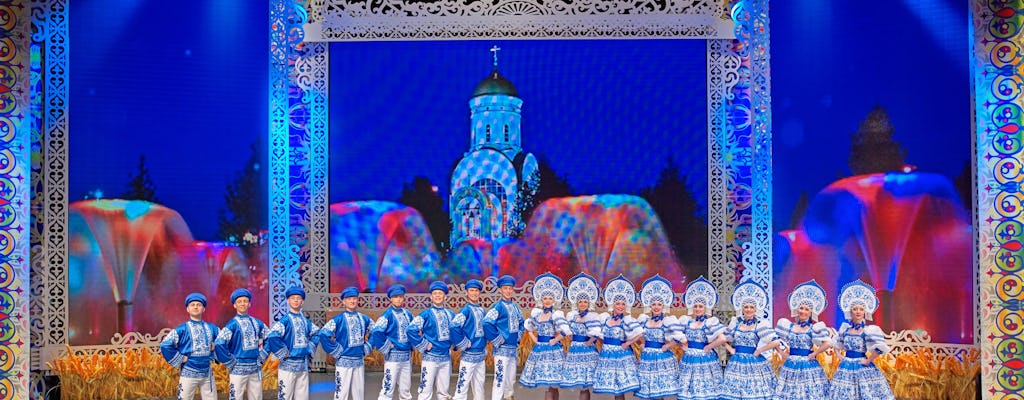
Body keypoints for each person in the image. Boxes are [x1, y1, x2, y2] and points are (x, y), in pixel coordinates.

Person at [828, 280, 895, 400]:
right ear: (850, 312)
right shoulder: (845, 329)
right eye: (855, 309)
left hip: (861, 365)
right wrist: (839, 355)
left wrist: (869, 360)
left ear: (865, 312)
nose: (858, 311)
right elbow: (836, 343)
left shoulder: (868, 330)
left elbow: (880, 347)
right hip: (846, 366)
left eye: (861, 309)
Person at [719, 279, 781, 400]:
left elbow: (776, 341)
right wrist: (730, 349)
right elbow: (722, 338)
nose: (748, 309)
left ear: (755, 309)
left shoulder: (760, 324)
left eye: (751, 307)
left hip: (754, 362)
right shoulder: (736, 322)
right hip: (736, 362)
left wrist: (759, 351)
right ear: (742, 308)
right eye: (746, 307)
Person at [774, 280, 832, 400]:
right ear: (797, 309)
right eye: (801, 308)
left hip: (808, 365)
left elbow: (828, 343)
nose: (803, 311)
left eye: (807, 309)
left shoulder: (814, 328)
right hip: (790, 365)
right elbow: (773, 339)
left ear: (811, 313)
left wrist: (815, 353)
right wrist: (781, 352)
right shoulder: (788, 326)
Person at [266, 285, 321, 400]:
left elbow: (317, 333)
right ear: (288, 301)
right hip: (287, 365)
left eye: (298, 298)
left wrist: (310, 348)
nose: (296, 300)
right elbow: (272, 336)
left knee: (303, 397)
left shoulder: (306, 322)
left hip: (303, 365)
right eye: (292, 298)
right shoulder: (284, 321)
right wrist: (283, 352)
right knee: (285, 396)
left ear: (302, 301)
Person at [161, 292, 220, 400]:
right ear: (187, 309)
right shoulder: (182, 329)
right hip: (188, 371)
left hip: (207, 372)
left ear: (203, 309)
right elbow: (165, 344)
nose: (196, 307)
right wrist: (181, 358)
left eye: (199, 304)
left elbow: (223, 342)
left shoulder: (212, 328)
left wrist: (214, 353)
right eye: (193, 304)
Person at [520, 273, 569, 399]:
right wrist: (534, 338)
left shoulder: (556, 314)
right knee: (547, 385)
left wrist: (556, 340)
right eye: (545, 298)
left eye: (550, 298)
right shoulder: (537, 314)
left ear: (554, 300)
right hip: (540, 350)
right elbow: (528, 327)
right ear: (541, 300)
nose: (547, 301)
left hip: (552, 351)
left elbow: (565, 330)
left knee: (553, 384)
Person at [592, 275, 642, 400]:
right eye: (618, 303)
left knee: (620, 388)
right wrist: (603, 342)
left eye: (623, 304)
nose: (620, 306)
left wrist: (628, 342)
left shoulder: (626, 320)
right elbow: (599, 334)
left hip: (621, 355)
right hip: (607, 355)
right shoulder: (605, 319)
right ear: (612, 304)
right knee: (614, 389)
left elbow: (640, 333)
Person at [676, 277, 727, 400]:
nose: (698, 309)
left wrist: (709, 346)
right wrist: (682, 346)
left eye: (700, 306)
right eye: (696, 306)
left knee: (704, 391)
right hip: (689, 358)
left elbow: (722, 338)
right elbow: (675, 335)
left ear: (705, 308)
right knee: (689, 391)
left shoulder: (709, 322)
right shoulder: (687, 322)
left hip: (705, 359)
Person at [214, 288, 270, 400]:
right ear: (234, 305)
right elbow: (219, 343)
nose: (243, 304)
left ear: (249, 304)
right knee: (236, 396)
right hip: (238, 367)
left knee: (256, 396)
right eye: (239, 302)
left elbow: (271, 338)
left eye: (245, 301)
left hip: (255, 366)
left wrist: (263, 354)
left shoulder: (257, 323)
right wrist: (230, 361)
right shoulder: (232, 325)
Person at [320, 286, 374, 400]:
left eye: (354, 298)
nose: (352, 301)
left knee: (359, 393)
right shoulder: (338, 319)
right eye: (349, 299)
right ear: (344, 301)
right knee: (341, 392)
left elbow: (376, 331)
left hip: (359, 361)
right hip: (344, 361)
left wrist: (368, 346)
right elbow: (323, 334)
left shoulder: (364, 318)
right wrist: (337, 350)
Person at [408, 281, 456, 400]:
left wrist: (454, 344)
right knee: (425, 390)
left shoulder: (450, 314)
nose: (438, 296)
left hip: (445, 357)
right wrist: (424, 344)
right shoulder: (426, 314)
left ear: (445, 296)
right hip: (430, 357)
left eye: (440, 293)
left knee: (444, 392)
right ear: (431, 296)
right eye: (435, 293)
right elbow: (410, 329)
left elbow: (456, 331)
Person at [635, 275, 681, 400]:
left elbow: (679, 337)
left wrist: (667, 345)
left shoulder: (667, 321)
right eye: (653, 304)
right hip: (647, 358)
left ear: (663, 306)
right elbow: (634, 333)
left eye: (659, 304)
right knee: (650, 391)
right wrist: (641, 343)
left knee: (659, 391)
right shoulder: (644, 320)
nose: (656, 307)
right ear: (650, 306)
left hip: (661, 358)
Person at [369, 284, 416, 400]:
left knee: (405, 388)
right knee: (388, 387)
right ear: (391, 299)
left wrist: (412, 346)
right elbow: (376, 331)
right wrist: (387, 345)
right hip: (393, 357)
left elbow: (414, 330)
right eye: (395, 297)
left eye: (400, 296)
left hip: (406, 357)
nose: (398, 299)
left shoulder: (407, 313)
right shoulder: (388, 314)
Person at [559, 272, 602, 400]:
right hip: (575, 350)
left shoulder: (592, 316)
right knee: (579, 383)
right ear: (576, 303)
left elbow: (596, 331)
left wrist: (590, 342)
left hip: (587, 351)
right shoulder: (572, 316)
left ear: (589, 303)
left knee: (584, 384)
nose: (582, 304)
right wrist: (570, 337)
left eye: (585, 301)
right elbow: (567, 330)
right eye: (580, 301)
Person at [483, 275, 525, 400]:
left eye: (510, 288)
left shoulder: (515, 307)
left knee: (511, 379)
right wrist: (497, 338)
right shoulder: (498, 306)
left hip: (513, 349)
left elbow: (521, 322)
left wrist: (518, 335)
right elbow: (486, 322)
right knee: (500, 378)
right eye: (505, 288)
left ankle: (508, 397)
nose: (508, 291)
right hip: (501, 350)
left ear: (512, 290)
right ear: (500, 290)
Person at [450, 279, 488, 400]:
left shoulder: (482, 310)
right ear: (467, 292)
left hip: (480, 354)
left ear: (479, 293)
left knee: (479, 386)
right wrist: (463, 342)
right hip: (469, 355)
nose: (474, 293)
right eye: (471, 290)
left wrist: (484, 346)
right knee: (463, 384)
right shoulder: (465, 310)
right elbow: (454, 326)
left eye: (476, 290)